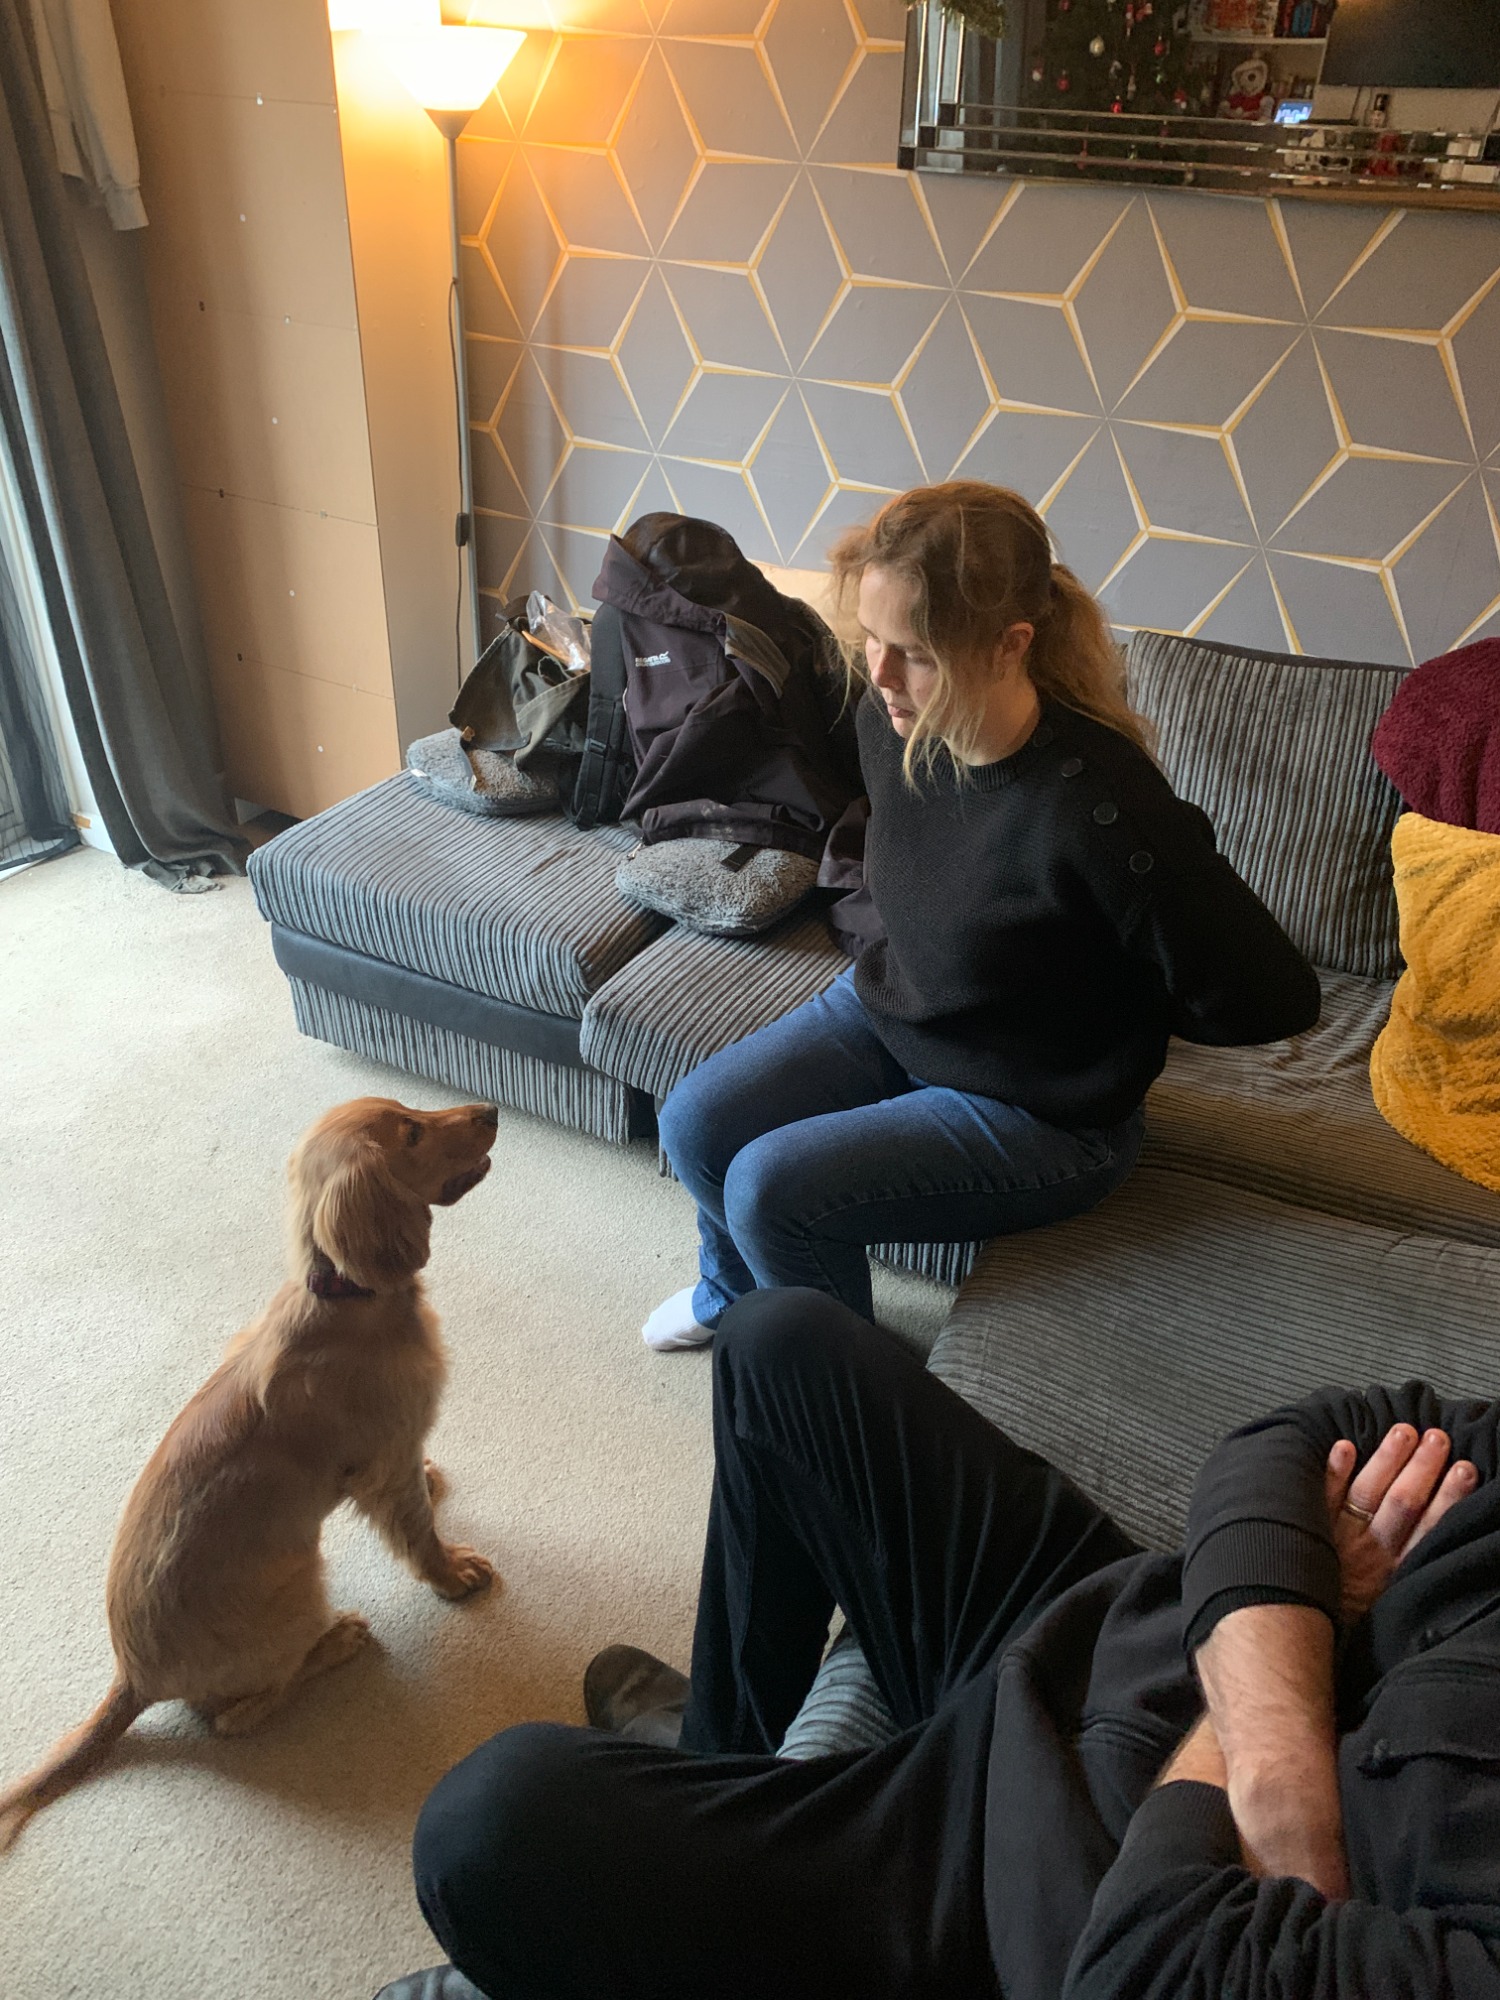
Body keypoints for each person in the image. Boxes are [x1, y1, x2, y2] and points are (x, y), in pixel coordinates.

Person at [376, 1286, 1499, 2000]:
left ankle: (743, 1843)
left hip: (1030, 1886)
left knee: (488, 1822)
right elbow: (1299, 1441)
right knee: (780, 1344)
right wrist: (1279, 1753)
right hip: (1110, 1628)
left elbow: (1157, 1965)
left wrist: (1300, 1643)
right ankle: (729, 1765)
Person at [639, 482, 1321, 1351]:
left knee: (770, 1188)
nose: (881, 674)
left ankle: (848, 1399)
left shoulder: (1104, 811)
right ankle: (730, 1291)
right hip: (903, 1013)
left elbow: (1276, 998)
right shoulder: (890, 723)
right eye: (873, 639)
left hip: (1040, 1111)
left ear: (1011, 645)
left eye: (915, 653)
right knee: (695, 1122)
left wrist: (1124, 1013)